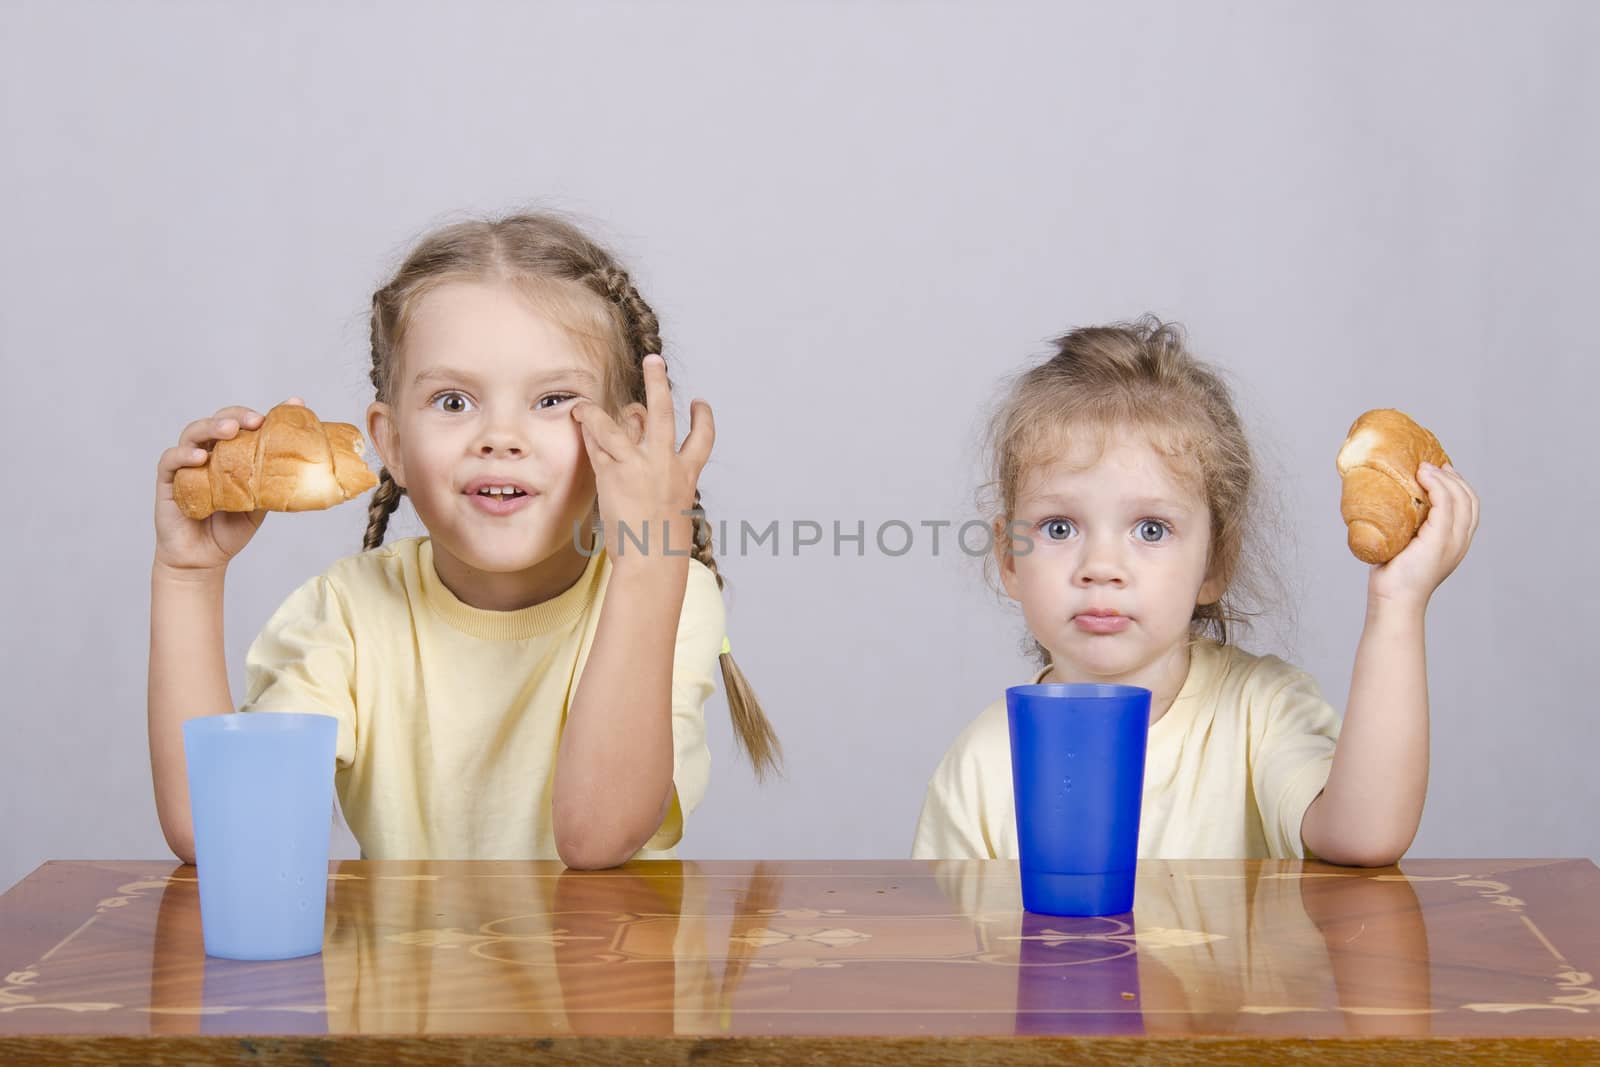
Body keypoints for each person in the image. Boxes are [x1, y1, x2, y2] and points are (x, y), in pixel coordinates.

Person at [149, 213, 778, 870]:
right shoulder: (349, 612)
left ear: (626, 440)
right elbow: (220, 830)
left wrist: (649, 564)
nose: (500, 436)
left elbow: (596, 835)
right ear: (390, 442)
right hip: (407, 975)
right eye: (453, 402)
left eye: (553, 400)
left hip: (606, 972)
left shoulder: (669, 594)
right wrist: (187, 576)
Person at [912, 317, 1478, 865]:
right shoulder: (983, 764)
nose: (1101, 567)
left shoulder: (1260, 712)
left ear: (1216, 561)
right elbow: (955, 955)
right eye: (1060, 527)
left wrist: (1397, 605)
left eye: (1151, 529)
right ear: (1010, 559)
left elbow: (1364, 836)